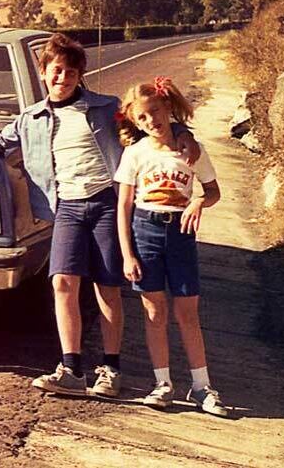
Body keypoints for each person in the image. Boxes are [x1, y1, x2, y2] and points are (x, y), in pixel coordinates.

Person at [0, 33, 197, 398]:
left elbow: (147, 125)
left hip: (105, 204)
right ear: (44, 72)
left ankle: (110, 369)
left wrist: (183, 134)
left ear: (80, 74)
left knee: (107, 287)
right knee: (62, 283)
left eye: (70, 72)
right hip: (66, 206)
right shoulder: (31, 118)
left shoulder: (105, 108)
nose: (62, 78)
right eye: (56, 71)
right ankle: (71, 369)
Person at [114, 76, 228, 416]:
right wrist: (127, 253)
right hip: (144, 232)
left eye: (155, 112)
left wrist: (198, 202)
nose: (152, 121)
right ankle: (162, 383)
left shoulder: (190, 150)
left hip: (180, 233)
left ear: (167, 108)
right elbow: (124, 205)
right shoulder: (135, 154)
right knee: (154, 312)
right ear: (135, 123)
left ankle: (202, 386)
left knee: (187, 313)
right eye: (142, 118)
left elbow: (213, 191)